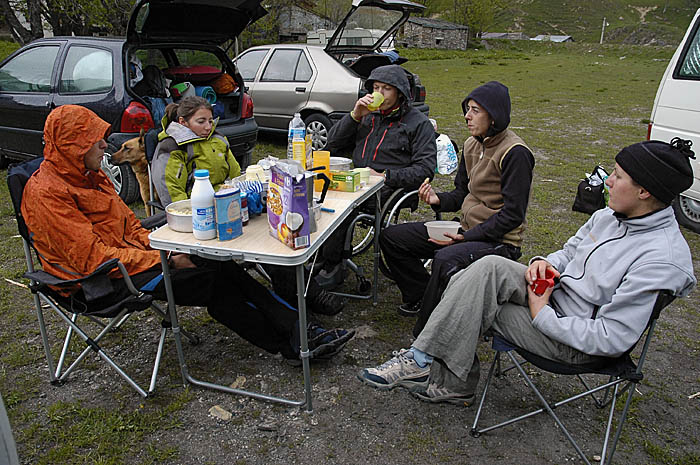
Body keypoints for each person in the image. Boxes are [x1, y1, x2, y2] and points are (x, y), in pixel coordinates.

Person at [358, 138, 697, 404]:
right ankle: (432, 367)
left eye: (618, 176)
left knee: (469, 293)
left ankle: (433, 367)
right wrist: (544, 263)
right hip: (553, 294)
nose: (607, 180)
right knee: (484, 269)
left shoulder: (661, 259)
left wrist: (540, 313)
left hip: (572, 340)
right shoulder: (610, 216)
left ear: (644, 191)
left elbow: (610, 338)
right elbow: (568, 253)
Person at [21, 105, 354, 366]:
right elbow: (92, 258)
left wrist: (165, 251)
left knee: (217, 265)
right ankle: (297, 342)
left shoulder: (92, 176)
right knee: (213, 282)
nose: (103, 144)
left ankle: (301, 336)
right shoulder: (48, 194)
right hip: (95, 282)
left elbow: (129, 228)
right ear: (72, 146)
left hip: (129, 260)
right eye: (95, 139)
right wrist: (164, 258)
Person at [380, 81, 535, 338]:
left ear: (494, 116)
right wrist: (436, 200)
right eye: (467, 109)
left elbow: (512, 215)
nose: (467, 116)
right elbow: (462, 193)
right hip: (466, 229)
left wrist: (467, 237)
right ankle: (424, 296)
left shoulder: (515, 153)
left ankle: (428, 338)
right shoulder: (472, 144)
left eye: (475, 110)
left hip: (499, 240)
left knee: (445, 258)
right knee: (392, 238)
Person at [315, 64, 437, 289]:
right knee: (317, 197)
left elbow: (425, 169)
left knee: (339, 207)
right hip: (356, 182)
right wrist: (354, 116)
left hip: (388, 189)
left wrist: (384, 175)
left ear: (400, 92)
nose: (378, 94)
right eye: (375, 87)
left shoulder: (417, 123)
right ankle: (316, 259)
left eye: (386, 89)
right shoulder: (368, 116)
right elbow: (330, 145)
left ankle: (333, 266)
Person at [151, 96, 241, 207]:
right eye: (201, 122)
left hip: (224, 199)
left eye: (210, 121)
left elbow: (236, 174)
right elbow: (172, 191)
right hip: (195, 206)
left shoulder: (218, 139)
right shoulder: (172, 146)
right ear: (183, 122)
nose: (208, 127)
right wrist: (187, 212)